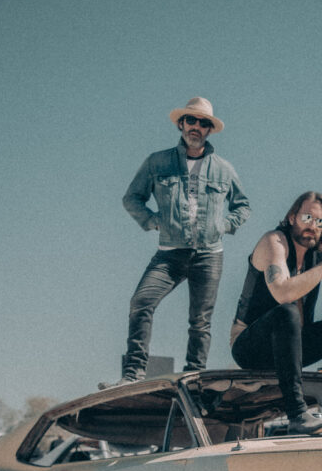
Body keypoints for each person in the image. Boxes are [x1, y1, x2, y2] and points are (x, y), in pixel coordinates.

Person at [100, 97, 250, 389]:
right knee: (141, 302)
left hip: (209, 254)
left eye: (203, 123)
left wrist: (224, 225)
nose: (196, 127)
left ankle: (194, 378)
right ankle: (133, 373)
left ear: (209, 130)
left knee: (200, 321)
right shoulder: (158, 162)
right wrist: (153, 220)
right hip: (169, 254)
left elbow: (243, 206)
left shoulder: (223, 169)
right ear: (181, 124)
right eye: (191, 120)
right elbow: (132, 198)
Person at [230, 191, 322, 436]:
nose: (313, 226)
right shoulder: (275, 242)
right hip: (251, 348)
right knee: (287, 312)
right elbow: (283, 293)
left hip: (294, 347)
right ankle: (297, 414)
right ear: (292, 217)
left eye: (320, 222)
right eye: (307, 217)